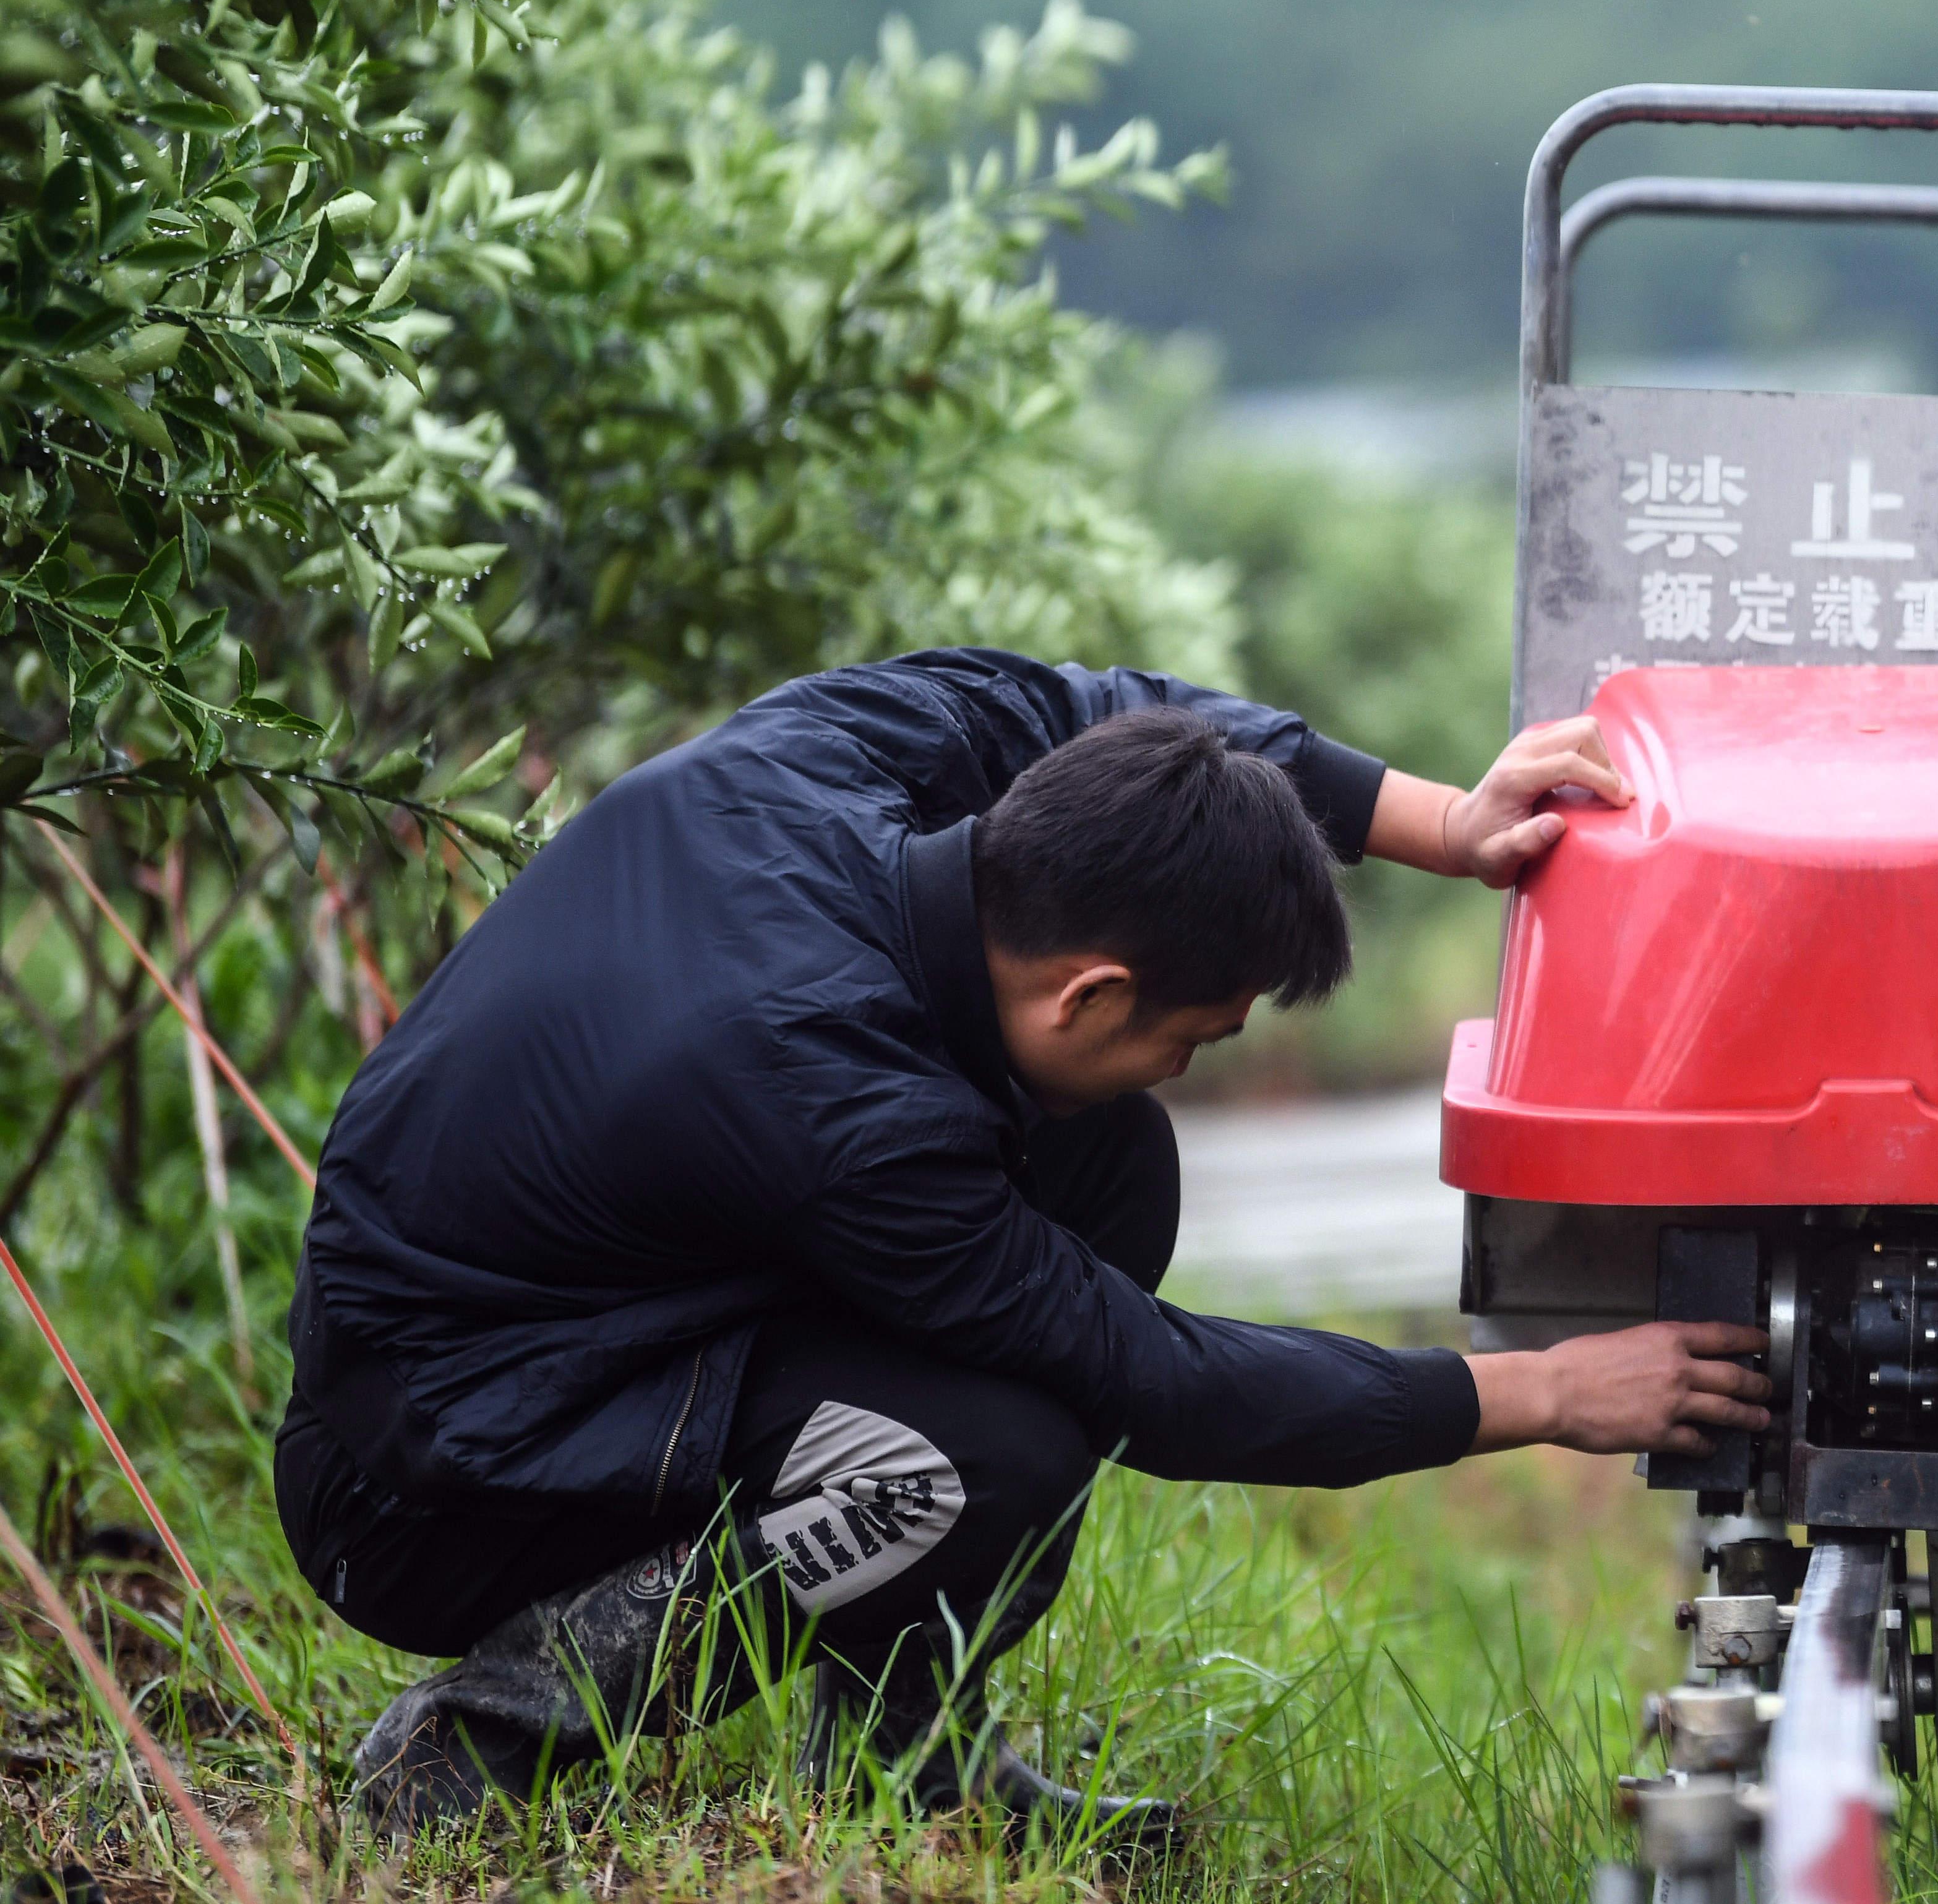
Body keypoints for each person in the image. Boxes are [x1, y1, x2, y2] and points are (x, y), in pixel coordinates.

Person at [278, 648, 1772, 1842]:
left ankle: (900, 1759)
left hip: (594, 1326)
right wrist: (1545, 1394)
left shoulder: (840, 749)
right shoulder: (838, 1099)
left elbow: (1104, 714)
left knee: (1104, 1167)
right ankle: (492, 1735)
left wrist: (1439, 819)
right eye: (1194, 1034)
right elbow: (1158, 1386)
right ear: (1089, 995)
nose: (1193, 1065)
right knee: (991, 1452)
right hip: (423, 1479)